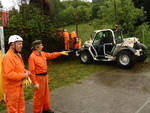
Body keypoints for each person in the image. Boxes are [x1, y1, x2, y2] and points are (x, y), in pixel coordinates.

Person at [28, 40, 68, 113]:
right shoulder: (32, 57)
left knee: (46, 94)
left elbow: (51, 55)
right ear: (37, 47)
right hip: (39, 78)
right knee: (38, 96)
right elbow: (31, 71)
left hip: (45, 77)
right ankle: (37, 111)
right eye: (41, 45)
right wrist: (35, 83)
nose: (42, 46)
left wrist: (60, 53)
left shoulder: (42, 53)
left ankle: (46, 109)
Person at [2, 35, 30, 113]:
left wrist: (25, 71)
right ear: (12, 45)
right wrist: (24, 75)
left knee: (21, 106)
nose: (21, 46)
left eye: (21, 43)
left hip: (19, 85)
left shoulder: (18, 55)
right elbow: (9, 74)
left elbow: (19, 67)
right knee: (13, 109)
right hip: (11, 88)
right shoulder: (8, 57)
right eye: (19, 44)